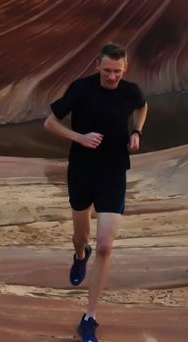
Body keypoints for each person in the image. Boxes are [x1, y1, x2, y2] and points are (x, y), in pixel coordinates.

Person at [44, 42, 147, 342]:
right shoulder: (81, 89)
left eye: (117, 71)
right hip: (81, 171)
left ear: (125, 68)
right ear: (97, 65)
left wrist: (137, 132)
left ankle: (89, 317)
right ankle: (79, 254)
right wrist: (79, 137)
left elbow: (142, 107)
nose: (112, 77)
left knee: (106, 246)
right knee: (83, 237)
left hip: (114, 172)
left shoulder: (131, 91)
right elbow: (49, 123)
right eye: (107, 71)